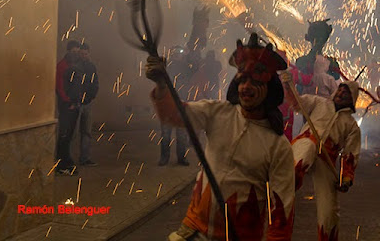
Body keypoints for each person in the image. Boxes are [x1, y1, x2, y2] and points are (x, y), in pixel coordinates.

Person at [146, 33, 295, 241]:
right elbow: (173, 115)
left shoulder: (279, 146)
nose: (246, 87)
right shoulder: (217, 112)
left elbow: (281, 216)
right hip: (193, 231)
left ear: (269, 88)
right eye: (242, 80)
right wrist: (162, 85)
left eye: (254, 81)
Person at [281, 72, 361, 241]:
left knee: (329, 210)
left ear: (352, 99)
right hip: (305, 143)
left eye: (345, 93)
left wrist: (346, 178)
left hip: (327, 159)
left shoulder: (351, 125)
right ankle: (288, 182)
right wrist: (288, 86)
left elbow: (350, 153)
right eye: (340, 90)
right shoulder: (319, 102)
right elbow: (296, 103)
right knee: (308, 147)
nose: (340, 94)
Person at [55, 40, 84, 175]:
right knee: (64, 135)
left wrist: (78, 100)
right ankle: (61, 165)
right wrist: (68, 101)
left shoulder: (75, 65)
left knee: (69, 135)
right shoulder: (62, 66)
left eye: (77, 52)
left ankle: (66, 161)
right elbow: (60, 87)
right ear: (68, 51)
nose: (76, 54)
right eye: (74, 52)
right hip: (67, 106)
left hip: (74, 105)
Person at [159, 45, 189, 166]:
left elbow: (194, 68)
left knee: (180, 134)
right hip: (168, 103)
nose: (178, 56)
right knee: (166, 134)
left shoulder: (185, 66)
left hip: (180, 104)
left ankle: (180, 158)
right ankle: (165, 158)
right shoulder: (167, 66)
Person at [295, 20, 340, 93]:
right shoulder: (301, 61)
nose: (319, 42)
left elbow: (336, 77)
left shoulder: (331, 63)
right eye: (318, 39)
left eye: (321, 39)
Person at [78, 43, 99, 166]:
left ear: (88, 53)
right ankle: (67, 160)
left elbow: (95, 82)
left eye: (85, 54)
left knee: (86, 132)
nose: (84, 56)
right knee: (73, 133)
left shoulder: (91, 66)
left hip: (87, 102)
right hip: (76, 103)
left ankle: (84, 158)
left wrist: (91, 96)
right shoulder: (75, 66)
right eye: (82, 54)